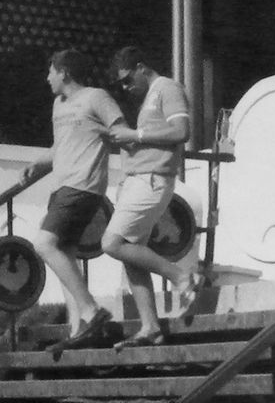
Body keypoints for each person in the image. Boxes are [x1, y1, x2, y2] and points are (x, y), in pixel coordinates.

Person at [23, 48, 126, 349]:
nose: (47, 78)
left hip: (83, 187)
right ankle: (78, 327)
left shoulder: (96, 98)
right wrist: (38, 164)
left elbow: (120, 132)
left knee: (43, 244)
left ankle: (92, 311)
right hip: (61, 186)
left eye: (51, 71)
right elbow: (60, 146)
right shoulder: (59, 105)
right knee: (64, 252)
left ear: (64, 72)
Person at [99, 45, 200, 348]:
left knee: (112, 243)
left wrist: (135, 136)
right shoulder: (148, 99)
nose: (126, 88)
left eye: (128, 79)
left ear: (142, 67)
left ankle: (182, 277)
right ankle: (150, 326)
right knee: (132, 255)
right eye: (121, 85)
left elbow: (182, 131)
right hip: (138, 180)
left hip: (153, 180)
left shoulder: (166, 88)